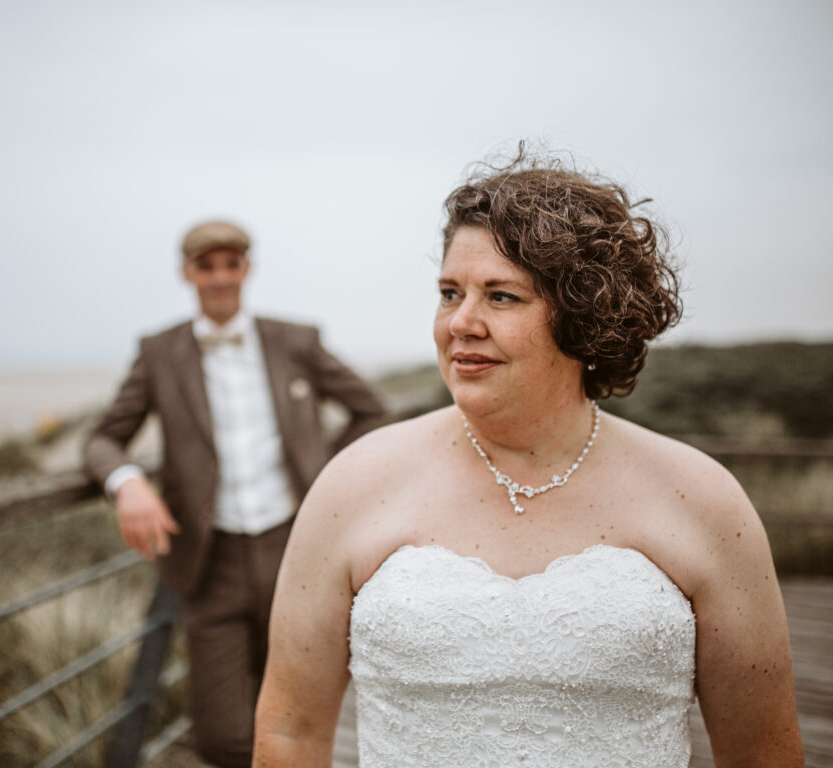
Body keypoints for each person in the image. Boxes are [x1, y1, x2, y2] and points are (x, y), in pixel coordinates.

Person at [253, 151, 804, 767]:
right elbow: (290, 733)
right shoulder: (355, 483)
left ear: (583, 316)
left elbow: (762, 755)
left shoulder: (701, 498)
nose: (461, 322)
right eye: (450, 293)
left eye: (502, 296)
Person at [83, 219, 386, 768]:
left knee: (305, 713)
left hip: (297, 551)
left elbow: (370, 409)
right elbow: (104, 438)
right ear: (187, 273)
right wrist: (127, 483)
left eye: (231, 264)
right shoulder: (159, 352)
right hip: (208, 563)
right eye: (207, 266)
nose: (220, 277)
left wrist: (325, 475)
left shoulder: (296, 340)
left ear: (247, 269)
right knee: (221, 737)